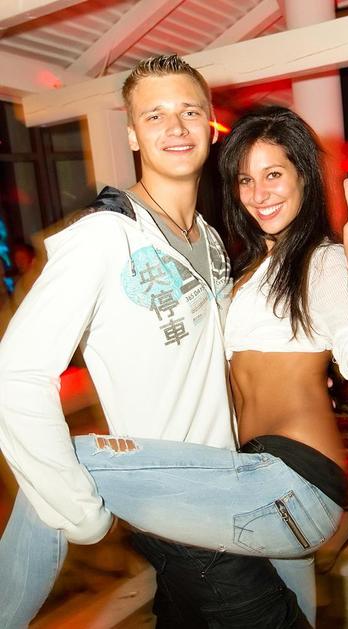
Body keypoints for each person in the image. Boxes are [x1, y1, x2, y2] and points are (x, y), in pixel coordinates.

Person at [0, 56, 311, 629]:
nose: (175, 128)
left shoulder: (210, 238)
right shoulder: (102, 237)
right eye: (155, 115)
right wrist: (76, 506)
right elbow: (16, 376)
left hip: (227, 482)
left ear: (210, 125)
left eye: (189, 112)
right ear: (132, 133)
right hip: (178, 505)